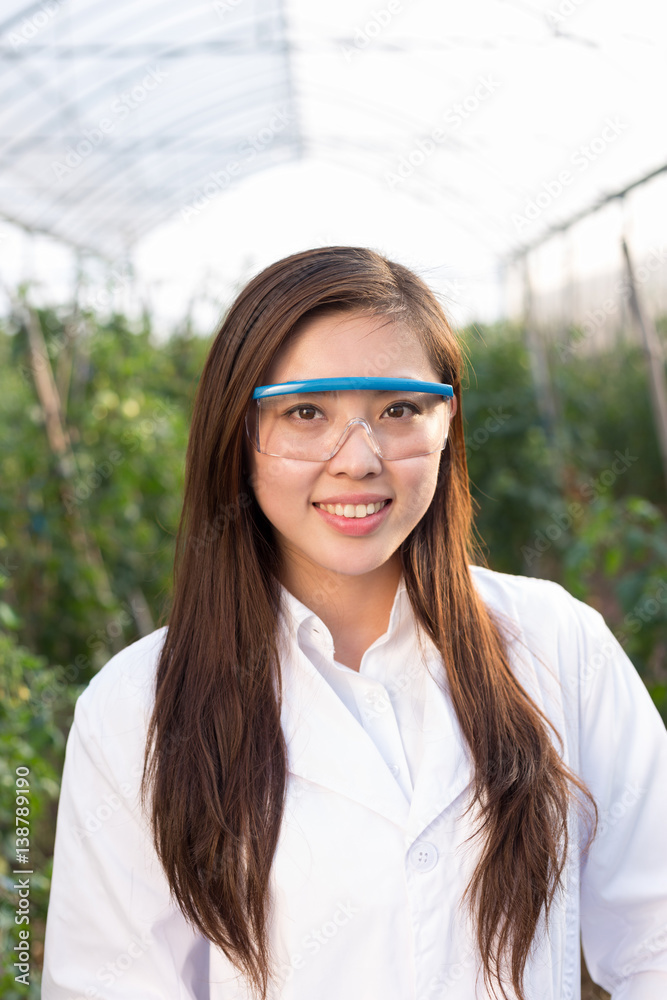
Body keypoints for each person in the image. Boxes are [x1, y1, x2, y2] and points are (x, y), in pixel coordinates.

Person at [42, 246, 667, 1000]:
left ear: (446, 423)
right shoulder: (135, 705)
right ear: (239, 434)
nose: (358, 459)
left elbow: (655, 941)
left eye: (398, 410)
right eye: (307, 413)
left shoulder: (560, 648)